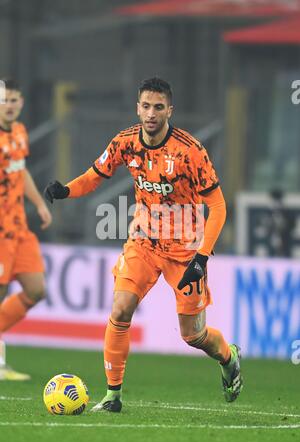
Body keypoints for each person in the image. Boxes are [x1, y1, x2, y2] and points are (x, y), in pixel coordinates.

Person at [44, 77, 243, 411]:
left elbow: (219, 206)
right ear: (138, 108)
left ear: (170, 110)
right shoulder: (125, 142)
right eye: (146, 106)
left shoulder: (189, 151)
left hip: (185, 250)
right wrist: (67, 190)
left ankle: (229, 357)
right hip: (144, 242)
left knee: (193, 335)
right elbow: (96, 175)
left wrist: (202, 257)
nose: (151, 113)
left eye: (159, 107)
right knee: (121, 308)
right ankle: (113, 396)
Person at [0, 78, 52, 380]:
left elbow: (21, 171)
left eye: (14, 100)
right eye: (4, 100)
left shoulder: (19, 132)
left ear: (21, 103)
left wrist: (39, 204)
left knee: (36, 290)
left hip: (19, 229)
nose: (9, 105)